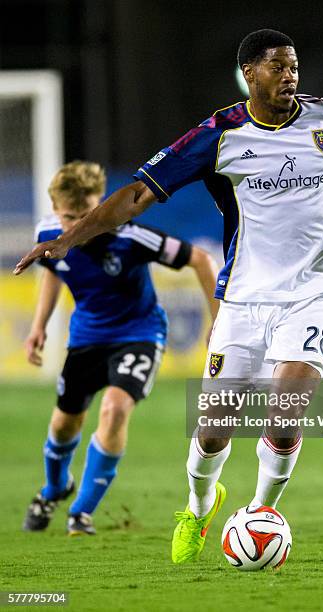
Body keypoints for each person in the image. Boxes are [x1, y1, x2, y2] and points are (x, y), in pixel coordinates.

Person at [15, 29, 323, 560]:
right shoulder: (220, 135)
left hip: (317, 287)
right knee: (215, 429)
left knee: (285, 413)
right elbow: (137, 195)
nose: (291, 76)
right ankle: (199, 505)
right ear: (250, 74)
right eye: (278, 67)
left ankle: (262, 510)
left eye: (295, 66)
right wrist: (67, 239)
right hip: (244, 296)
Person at [22, 160, 219, 535]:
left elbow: (200, 258)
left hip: (138, 334)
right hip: (86, 338)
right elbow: (53, 272)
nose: (78, 226)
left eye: (88, 215)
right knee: (65, 425)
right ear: (54, 211)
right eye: (69, 217)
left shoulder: (130, 237)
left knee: (113, 410)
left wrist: (218, 318)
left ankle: (81, 512)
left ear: (101, 207)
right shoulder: (47, 233)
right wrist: (38, 326)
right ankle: (54, 488)